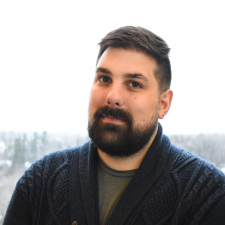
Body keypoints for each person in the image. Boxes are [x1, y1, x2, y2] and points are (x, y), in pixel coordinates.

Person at [3, 26, 225, 225]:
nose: (112, 96)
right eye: (104, 79)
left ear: (163, 104)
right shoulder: (40, 182)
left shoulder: (209, 195)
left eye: (134, 84)